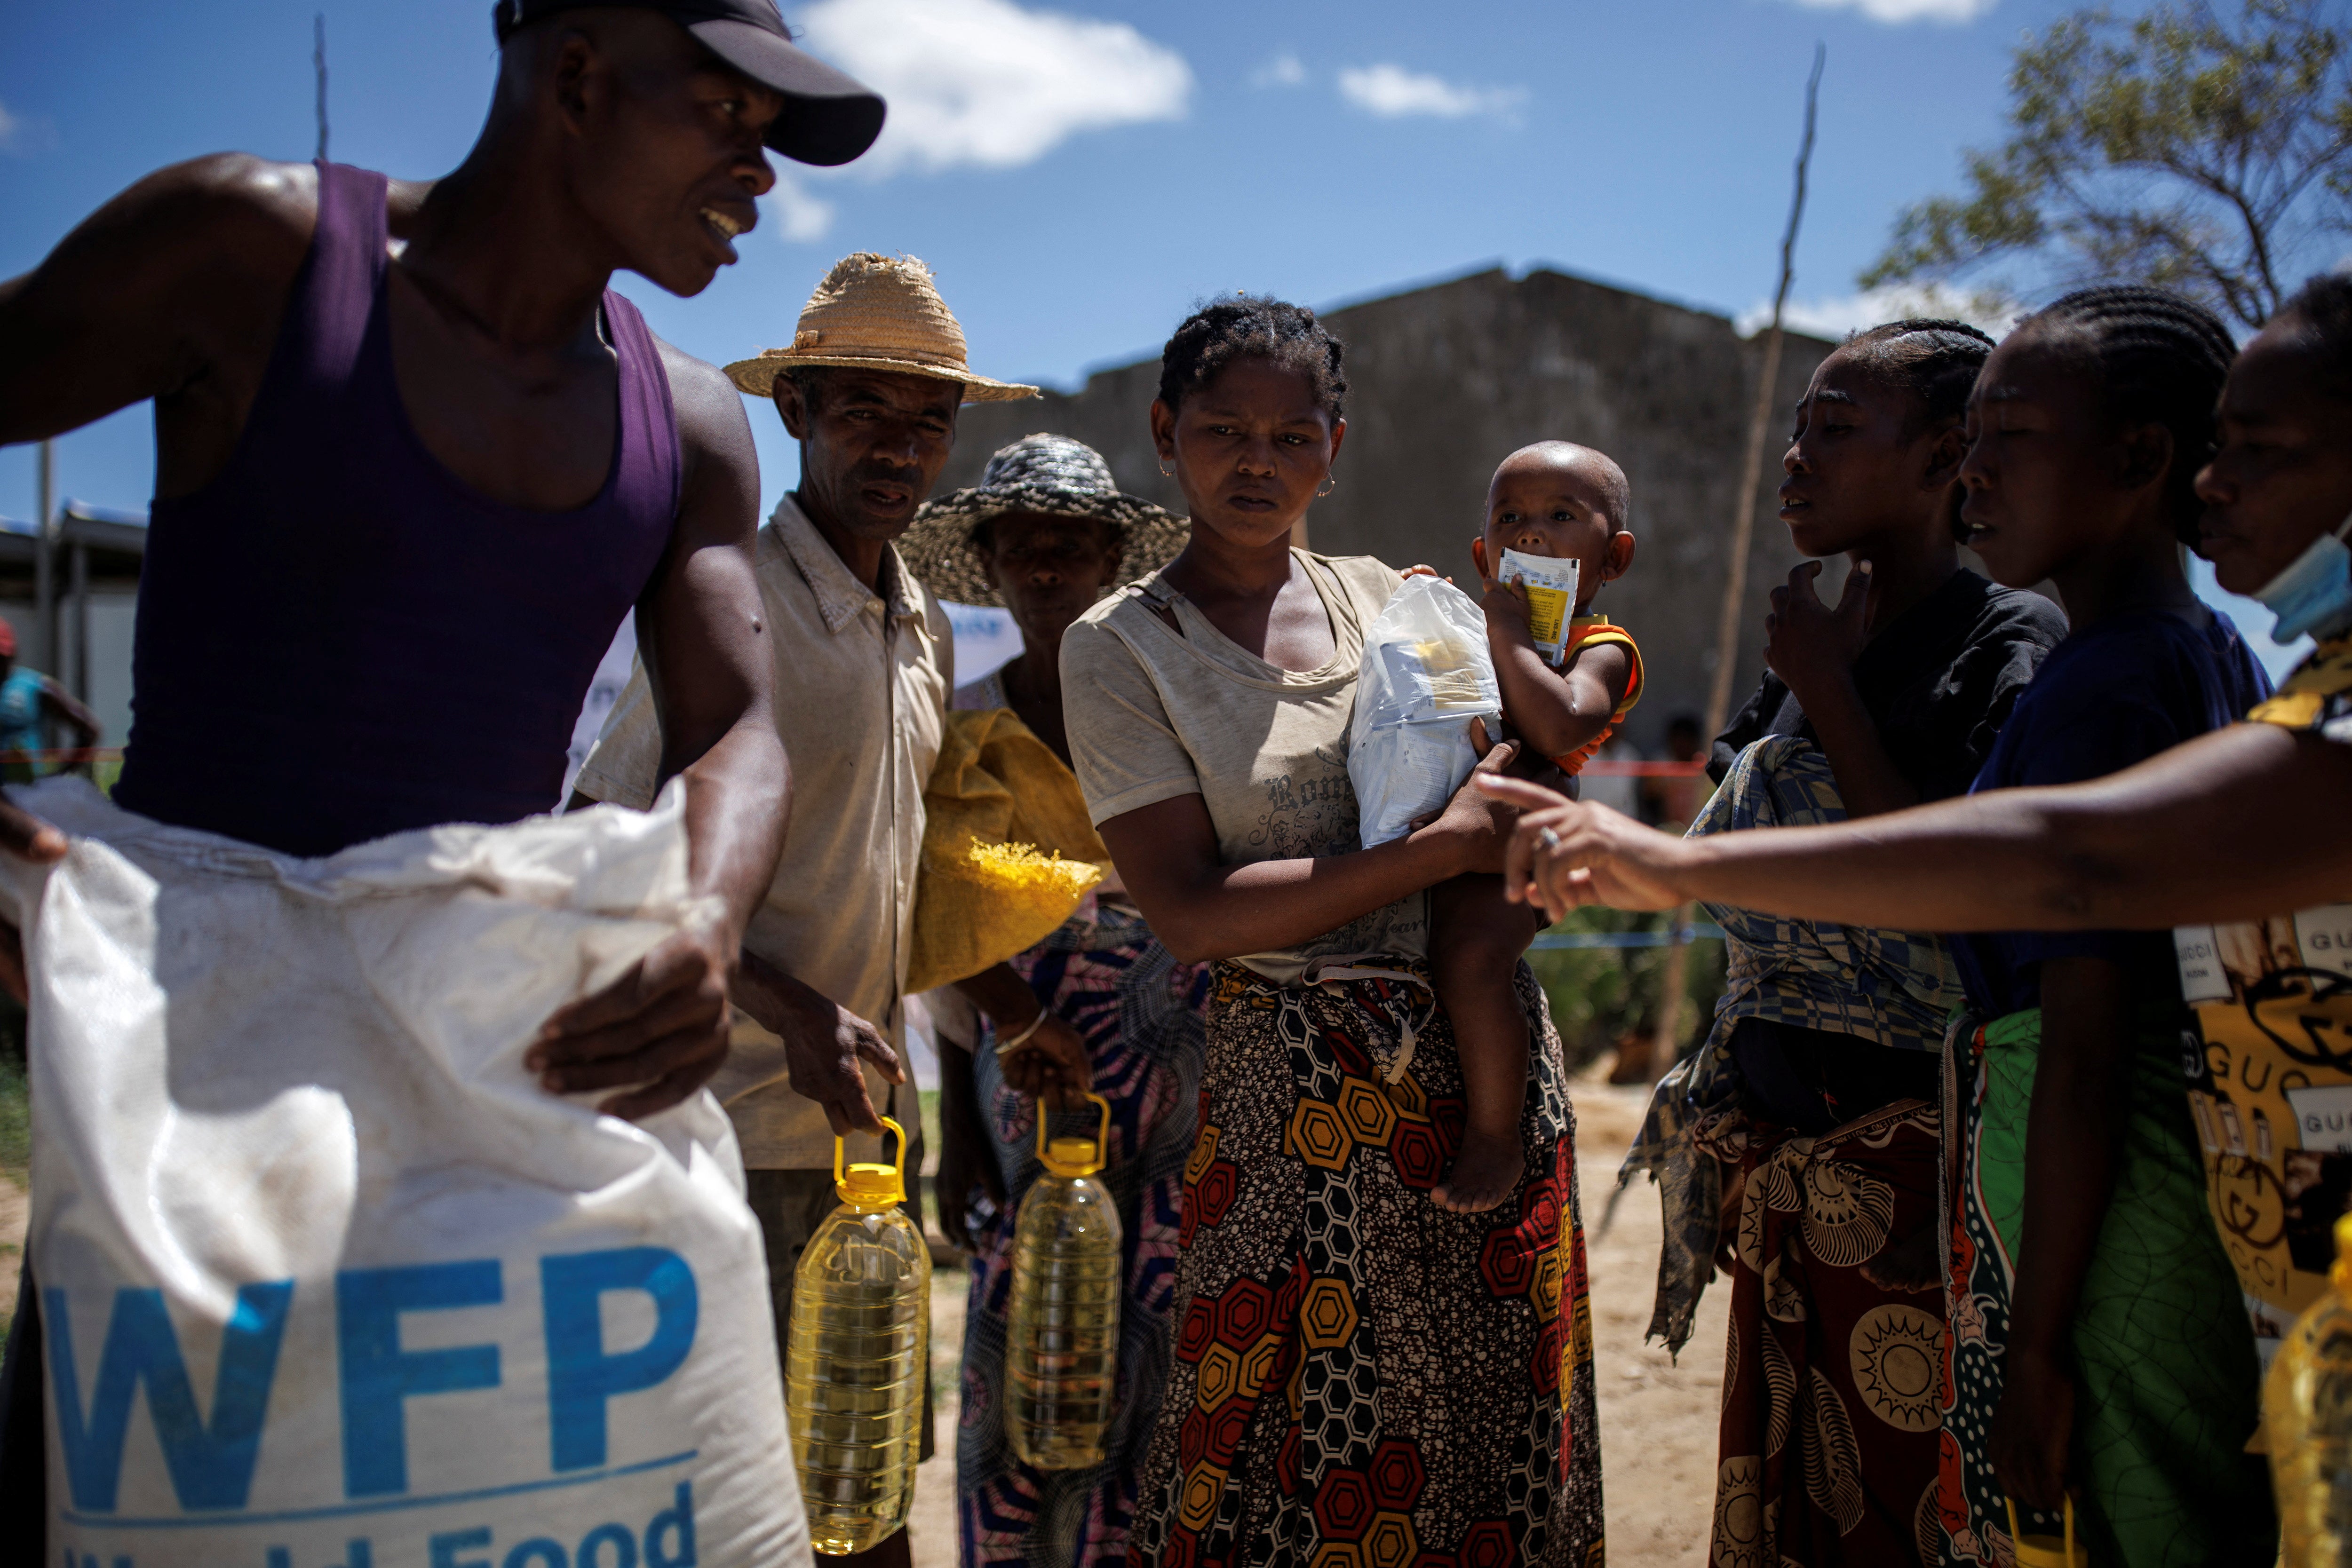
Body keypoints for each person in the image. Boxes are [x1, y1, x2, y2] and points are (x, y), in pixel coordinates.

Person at [0, 0, 882, 1533]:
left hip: (492, 1050)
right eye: (727, 117)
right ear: (581, 69)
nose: (761, 180)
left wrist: (706, 918)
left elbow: (735, 723)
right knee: (141, 1491)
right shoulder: (253, 256)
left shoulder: (690, 422)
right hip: (192, 1048)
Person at [1497, 271, 2352, 1481]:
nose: (2219, 484)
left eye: (2257, 450)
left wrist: (2039, 1338)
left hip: (2019, 1192)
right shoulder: (2269, 686)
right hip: (2207, 1240)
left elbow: (2061, 887)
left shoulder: (2091, 671)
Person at [1058, 296, 1605, 1566]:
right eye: (1222, 430)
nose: (1258, 461)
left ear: (1335, 447)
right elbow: (1191, 912)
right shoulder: (1123, 649)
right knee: (1284, 1437)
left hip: (1477, 1060)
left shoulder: (1397, 604)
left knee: (1497, 1413)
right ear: (1164, 434)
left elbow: (1524, 754)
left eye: (1291, 435)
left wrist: (1500, 819)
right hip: (1287, 1090)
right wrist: (1434, 851)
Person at [570, 251, 1048, 1568]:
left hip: (863, 1145)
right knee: (755, 1514)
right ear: (795, 413)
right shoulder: (730, 604)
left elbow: (893, 868)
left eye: (929, 422)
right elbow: (599, 848)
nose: (900, 448)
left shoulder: (926, 628)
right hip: (725, 1133)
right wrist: (785, 1005)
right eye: (864, 413)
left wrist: (1004, 1008)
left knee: (862, 1493)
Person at [1633, 318, 2067, 1564]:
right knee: (1802, 1510)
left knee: (1906, 1505)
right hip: (1794, 1169)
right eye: (1798, 425)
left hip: (1921, 1190)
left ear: (1944, 456)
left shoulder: (2003, 643)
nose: (1794, 456)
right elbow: (1734, 843)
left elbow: (1953, 887)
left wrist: (1827, 686)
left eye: (1835, 428)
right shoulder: (1812, 631)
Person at [898, 432, 1209, 1568]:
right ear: (989, 563)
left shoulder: (1167, 703)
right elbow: (928, 914)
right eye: (1022, 548)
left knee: (1164, 1321)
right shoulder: (958, 723)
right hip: (1027, 1067)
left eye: (1070, 547)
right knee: (1027, 1323)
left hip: (1177, 1063)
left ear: (1108, 561)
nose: (1045, 569)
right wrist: (964, 1126)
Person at [1429, 440, 1640, 1212]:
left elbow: (1555, 726)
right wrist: (1427, 607)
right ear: (1485, 553)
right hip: (1444, 822)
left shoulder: (1602, 649)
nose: (1532, 534)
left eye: (1560, 515)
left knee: (1473, 957)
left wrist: (1509, 633)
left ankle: (1496, 1132)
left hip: (1520, 839)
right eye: (1511, 518)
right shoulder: (1477, 620)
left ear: (1612, 557)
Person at [0, 621, 101, 784]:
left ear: (13, 654)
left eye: (1, 658)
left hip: (25, 792)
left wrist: (62, 774)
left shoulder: (36, 687)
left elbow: (90, 729)